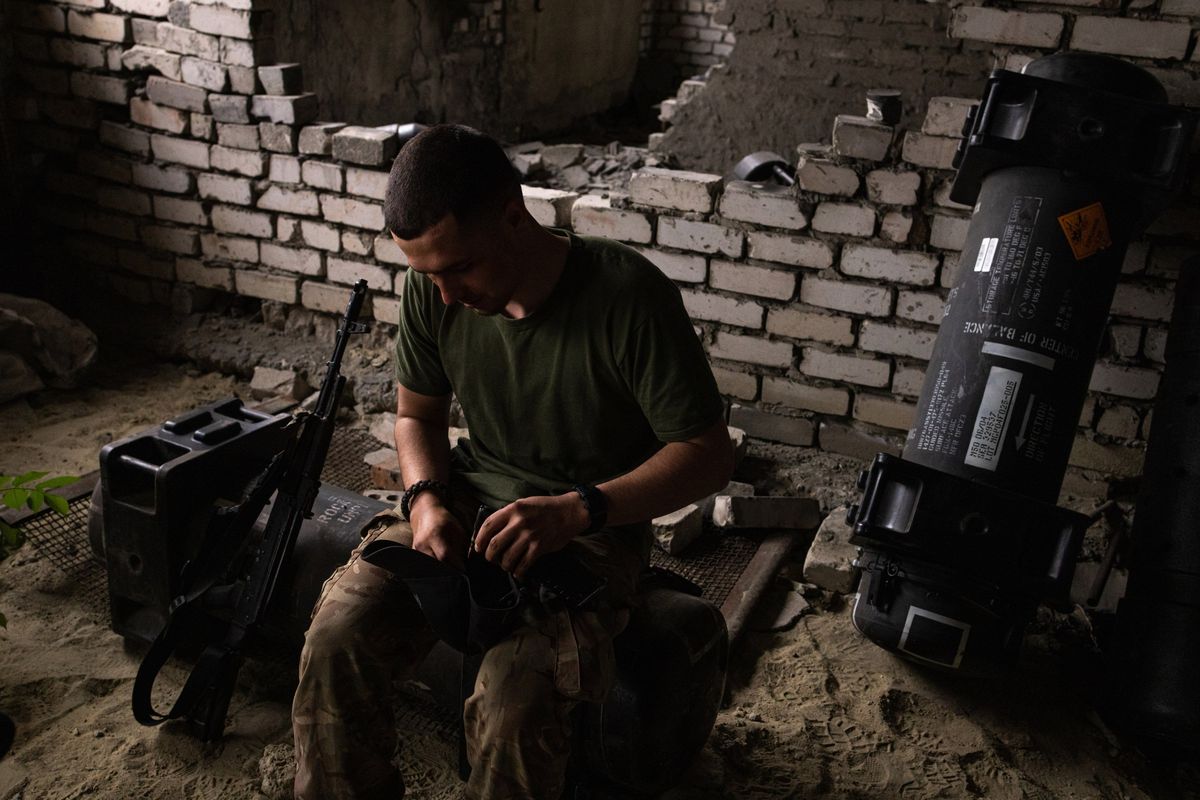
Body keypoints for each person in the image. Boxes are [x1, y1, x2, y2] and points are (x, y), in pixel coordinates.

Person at [291, 123, 734, 800]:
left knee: (515, 703)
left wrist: (579, 509)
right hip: (467, 496)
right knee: (334, 640)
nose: (443, 295)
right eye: (426, 274)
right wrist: (427, 500)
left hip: (589, 532)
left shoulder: (627, 299)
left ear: (511, 217)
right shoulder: (434, 289)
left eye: (459, 267)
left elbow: (706, 456)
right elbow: (416, 417)